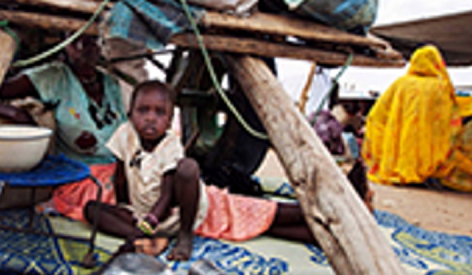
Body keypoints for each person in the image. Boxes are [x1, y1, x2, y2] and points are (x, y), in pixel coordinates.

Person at [85, 80, 373, 261]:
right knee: (91, 210)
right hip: (148, 222)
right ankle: (342, 227)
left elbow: (169, 192)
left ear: (170, 118)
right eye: (142, 110)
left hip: (186, 210)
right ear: (131, 112)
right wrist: (126, 209)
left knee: (266, 214)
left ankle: (342, 204)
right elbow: (121, 176)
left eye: (159, 113)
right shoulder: (126, 135)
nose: (150, 119)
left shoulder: (170, 145)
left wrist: (153, 217)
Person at [0, 34, 126, 221]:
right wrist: (16, 115)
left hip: (118, 171)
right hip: (82, 174)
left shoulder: (111, 84)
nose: (83, 47)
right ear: (64, 45)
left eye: (90, 40)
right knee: (105, 207)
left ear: (101, 45)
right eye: (75, 41)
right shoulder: (55, 77)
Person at [362, 44, 472, 193]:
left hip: (401, 137)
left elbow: (379, 113)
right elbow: (450, 114)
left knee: (405, 148)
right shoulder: (440, 87)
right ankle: (425, 175)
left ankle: (402, 172)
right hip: (428, 140)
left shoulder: (400, 84)